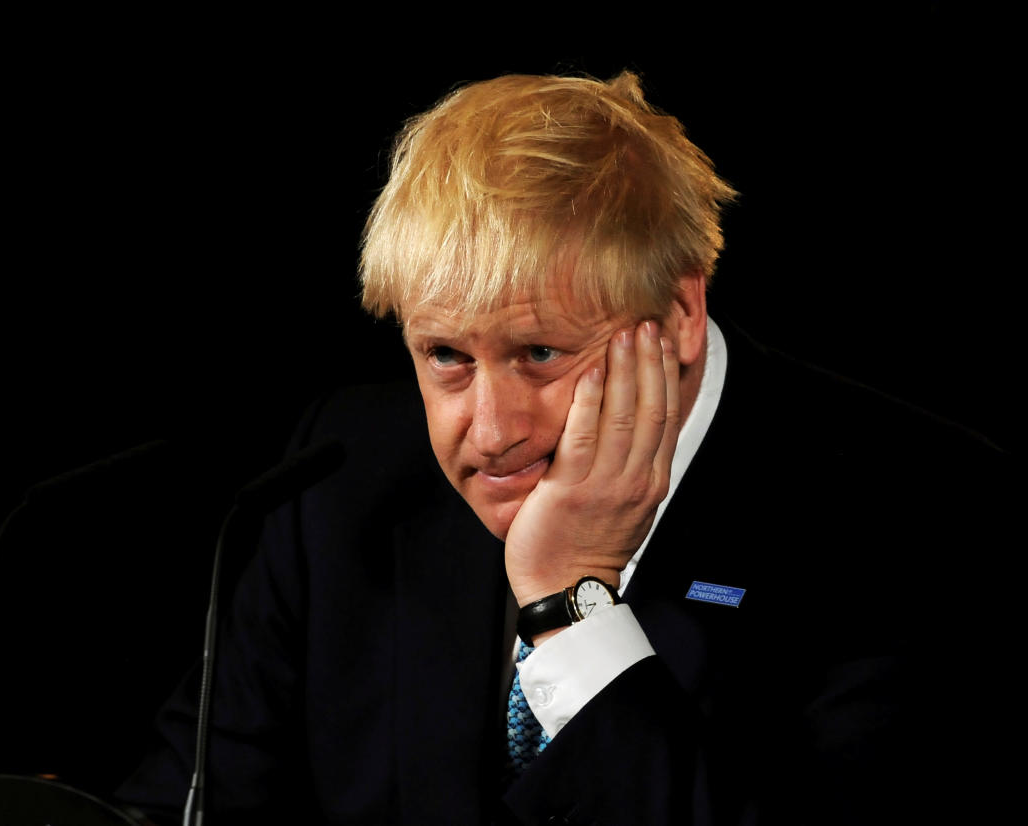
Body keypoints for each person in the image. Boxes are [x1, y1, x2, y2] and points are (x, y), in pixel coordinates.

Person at [119, 72, 1013, 825]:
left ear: (679, 314)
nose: (493, 429)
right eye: (446, 358)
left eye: (539, 354)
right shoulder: (341, 473)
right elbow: (182, 805)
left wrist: (569, 600)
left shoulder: (923, 507)